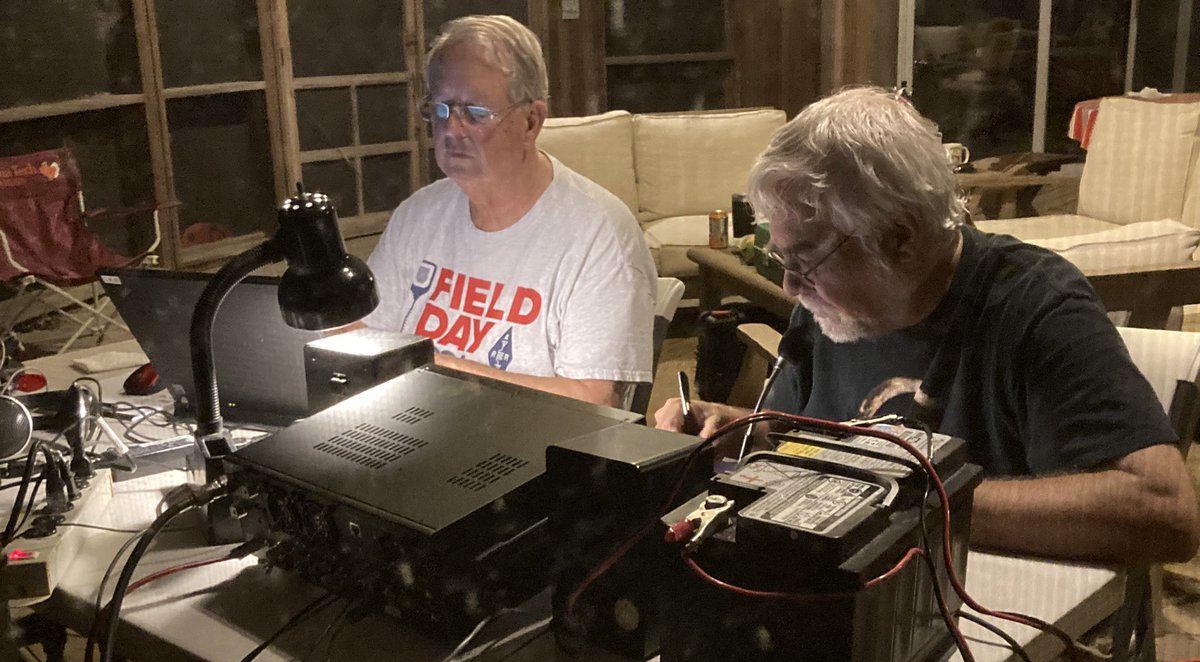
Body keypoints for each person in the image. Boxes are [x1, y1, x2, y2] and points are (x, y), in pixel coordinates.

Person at [656, 85, 1200, 565]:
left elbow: (1166, 513)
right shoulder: (831, 312)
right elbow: (808, 439)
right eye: (785, 261)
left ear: (901, 238)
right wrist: (737, 431)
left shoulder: (1036, 307)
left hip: (995, 617)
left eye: (808, 260)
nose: (793, 288)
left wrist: (903, 497)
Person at [363, 15, 655, 408]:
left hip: (530, 454)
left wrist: (430, 367)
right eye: (442, 109)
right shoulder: (418, 215)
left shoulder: (599, 234)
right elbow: (367, 338)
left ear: (531, 121)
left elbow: (592, 404)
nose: (453, 130)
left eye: (475, 113)